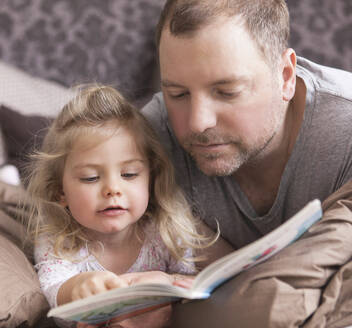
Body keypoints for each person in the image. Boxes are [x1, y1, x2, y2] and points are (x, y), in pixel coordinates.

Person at [140, 0, 352, 326]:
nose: (197, 123)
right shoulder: (148, 138)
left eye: (226, 91)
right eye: (178, 94)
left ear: (285, 77)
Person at [24, 84, 232, 328]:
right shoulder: (58, 239)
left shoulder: (163, 231)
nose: (113, 189)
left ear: (150, 179)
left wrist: (166, 281)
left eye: (130, 174)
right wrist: (77, 287)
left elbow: (190, 282)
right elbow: (53, 289)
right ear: (61, 192)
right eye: (91, 178)